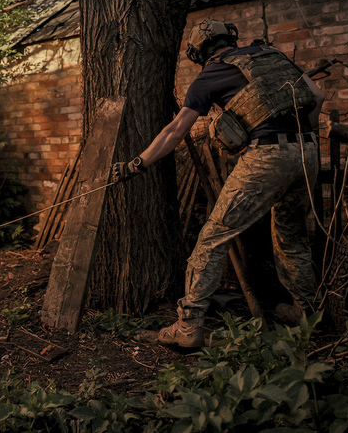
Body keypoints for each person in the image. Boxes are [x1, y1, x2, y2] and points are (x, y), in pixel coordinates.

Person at [112, 19, 325, 348]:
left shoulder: (208, 76)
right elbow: (317, 95)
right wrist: (301, 139)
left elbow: (175, 131)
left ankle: (187, 325)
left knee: (213, 238)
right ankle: (309, 315)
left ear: (199, 53)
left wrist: (138, 163)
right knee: (292, 235)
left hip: (267, 157)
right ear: (232, 39)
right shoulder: (272, 55)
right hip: (308, 152)